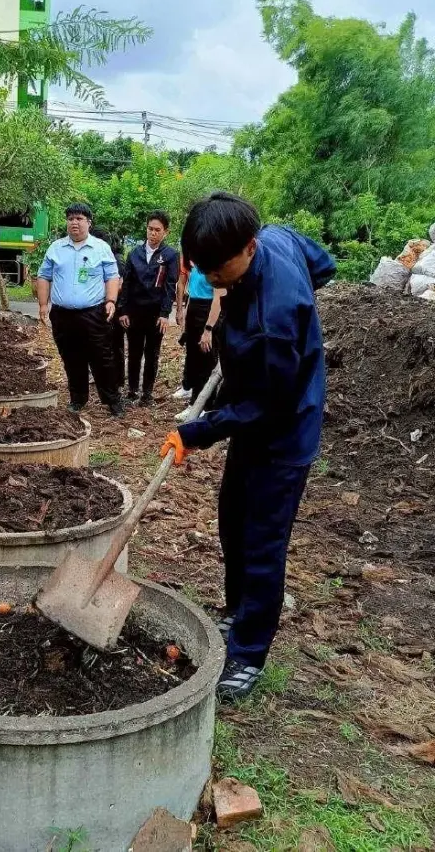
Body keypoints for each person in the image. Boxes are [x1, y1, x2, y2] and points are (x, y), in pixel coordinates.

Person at [161, 192, 336, 704]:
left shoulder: (273, 323)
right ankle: (239, 611)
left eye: (221, 270)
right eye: (203, 268)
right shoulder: (278, 237)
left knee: (262, 542)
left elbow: (265, 406)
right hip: (253, 410)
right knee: (233, 519)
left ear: (250, 247)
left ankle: (248, 653)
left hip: (282, 430)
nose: (212, 278)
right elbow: (323, 265)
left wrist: (196, 432)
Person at [36, 203, 125, 417]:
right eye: (70, 219)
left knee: (102, 357)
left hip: (93, 314)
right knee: (71, 358)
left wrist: (111, 300)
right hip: (63, 315)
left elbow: (112, 276)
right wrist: (43, 305)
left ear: (88, 223)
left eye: (79, 219)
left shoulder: (100, 248)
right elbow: (44, 276)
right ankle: (78, 399)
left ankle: (112, 401)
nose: (74, 223)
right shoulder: (56, 248)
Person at [119, 211, 179, 405]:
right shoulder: (134, 254)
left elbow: (170, 286)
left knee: (152, 353)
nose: (153, 233)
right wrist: (123, 310)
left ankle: (147, 393)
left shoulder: (170, 255)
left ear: (165, 232)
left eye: (157, 230)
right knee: (134, 352)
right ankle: (132, 391)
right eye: (150, 229)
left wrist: (165, 314)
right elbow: (126, 283)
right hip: (135, 311)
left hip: (155, 313)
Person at [175, 265, 226, 421]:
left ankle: (204, 406)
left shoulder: (217, 265)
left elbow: (218, 299)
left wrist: (208, 329)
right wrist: (186, 316)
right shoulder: (197, 265)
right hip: (194, 311)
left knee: (206, 362)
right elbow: (192, 294)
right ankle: (194, 400)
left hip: (208, 313)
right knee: (194, 359)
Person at [90, 226, 126, 392]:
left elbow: (119, 285)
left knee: (115, 345)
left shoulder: (116, 260)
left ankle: (117, 380)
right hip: (99, 307)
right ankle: (103, 377)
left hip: (114, 308)